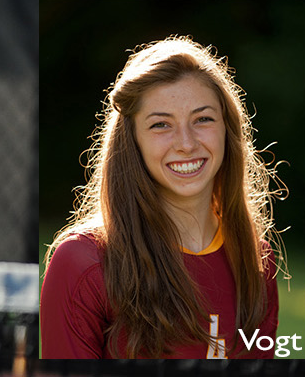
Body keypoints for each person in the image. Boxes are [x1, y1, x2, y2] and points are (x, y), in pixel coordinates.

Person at [40, 36, 280, 358]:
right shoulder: (84, 262)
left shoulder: (256, 261)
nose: (186, 143)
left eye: (203, 119)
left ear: (227, 129)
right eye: (161, 125)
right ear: (133, 141)